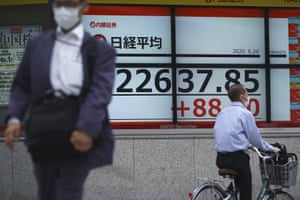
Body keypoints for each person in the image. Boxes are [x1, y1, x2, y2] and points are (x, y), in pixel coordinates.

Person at [3, 0, 116, 199]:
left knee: (67, 190)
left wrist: (86, 128)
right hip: (43, 131)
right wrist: (14, 119)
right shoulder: (37, 45)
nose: (64, 10)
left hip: (76, 131)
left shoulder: (99, 50)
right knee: (46, 192)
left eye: (70, 4)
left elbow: (100, 92)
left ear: (84, 6)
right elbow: (22, 84)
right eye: (59, 4)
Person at [213, 83, 279, 200]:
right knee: (246, 192)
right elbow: (255, 139)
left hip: (220, 158)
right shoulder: (245, 114)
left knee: (238, 185)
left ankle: (228, 195)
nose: (248, 98)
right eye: (247, 94)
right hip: (237, 159)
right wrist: (270, 148)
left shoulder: (222, 113)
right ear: (242, 97)